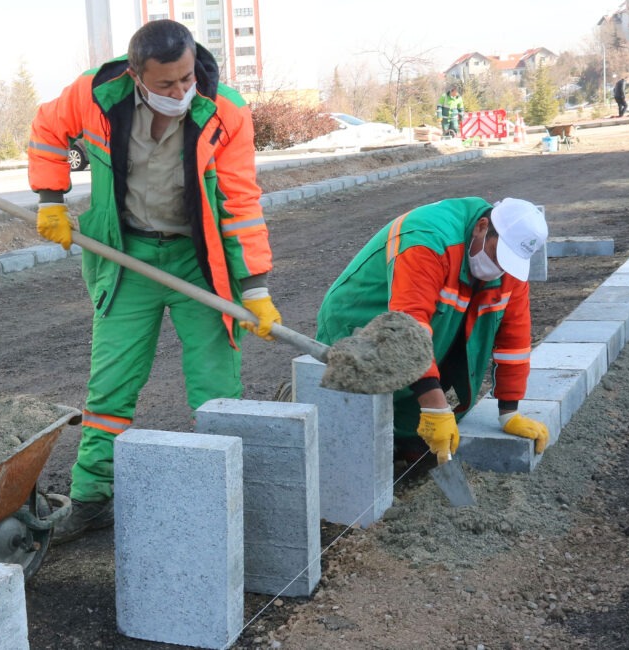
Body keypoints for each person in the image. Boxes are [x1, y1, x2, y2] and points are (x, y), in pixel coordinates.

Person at [27, 19, 282, 541]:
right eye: (166, 84)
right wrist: (51, 198)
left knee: (217, 388)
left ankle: (230, 492)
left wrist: (253, 286)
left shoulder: (224, 110)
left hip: (199, 261)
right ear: (138, 75)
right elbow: (47, 129)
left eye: (186, 78)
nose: (180, 92)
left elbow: (239, 204)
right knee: (110, 387)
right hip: (127, 258)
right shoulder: (96, 94)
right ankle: (93, 497)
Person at [316, 197, 550, 465]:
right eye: (497, 253)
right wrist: (435, 405)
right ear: (482, 227)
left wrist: (510, 411)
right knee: (347, 424)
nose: (499, 268)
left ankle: (403, 448)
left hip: (428, 326)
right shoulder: (427, 239)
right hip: (364, 316)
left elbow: (514, 339)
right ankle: (299, 400)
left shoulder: (509, 267)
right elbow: (407, 327)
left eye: (507, 261)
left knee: (414, 435)